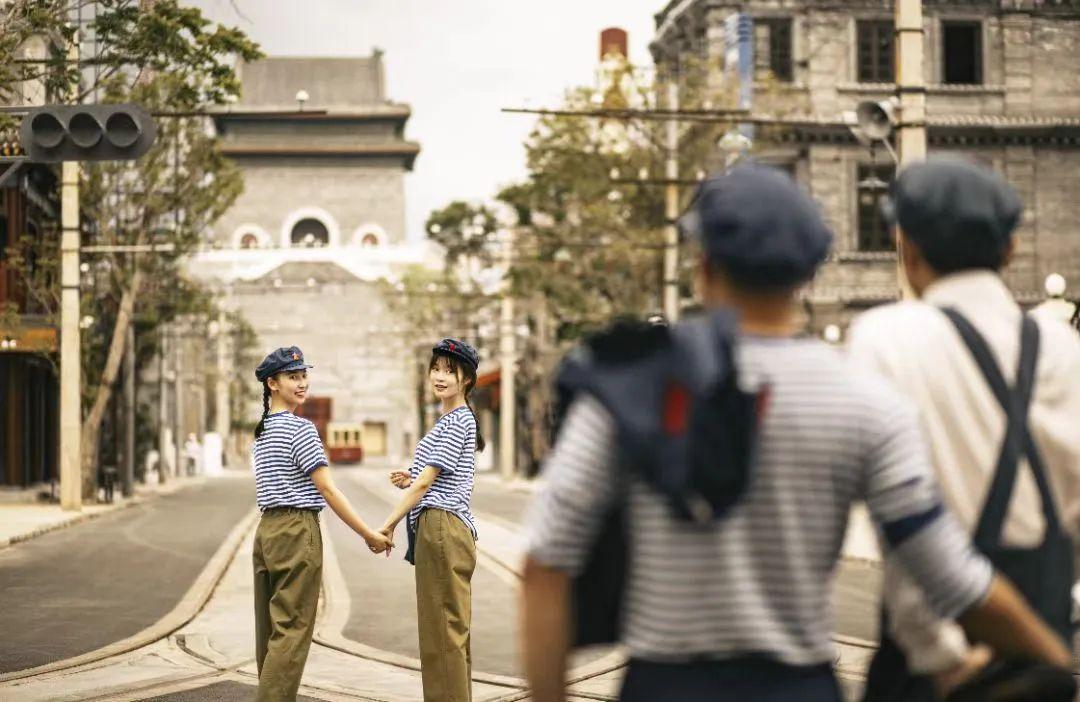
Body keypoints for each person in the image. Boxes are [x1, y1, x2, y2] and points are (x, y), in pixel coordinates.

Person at [519, 164, 1073, 702]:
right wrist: (1055, 663)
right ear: (808, 276)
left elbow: (547, 561)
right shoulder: (863, 401)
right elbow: (950, 576)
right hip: (799, 686)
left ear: (703, 266)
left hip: (665, 684)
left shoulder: (633, 385)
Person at [847, 158, 1080, 701]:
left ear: (906, 247)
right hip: (1041, 642)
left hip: (927, 661)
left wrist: (944, 658)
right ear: (1010, 250)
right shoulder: (1063, 350)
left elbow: (898, 521)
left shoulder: (884, 339)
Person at [251, 346, 393, 702]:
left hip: (267, 531)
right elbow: (329, 490)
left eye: (303, 376)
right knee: (292, 629)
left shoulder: (264, 430)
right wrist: (368, 534)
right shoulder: (302, 431)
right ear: (272, 383)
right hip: (297, 532)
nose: (302, 383)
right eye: (292, 377)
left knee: (269, 629)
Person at [380, 338, 485, 702]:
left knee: (441, 633)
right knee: (448, 630)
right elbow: (429, 477)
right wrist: (410, 477)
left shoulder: (457, 420)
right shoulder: (451, 421)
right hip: (443, 527)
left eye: (450, 371)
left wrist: (390, 522)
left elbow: (428, 482)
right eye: (436, 369)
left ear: (467, 380)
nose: (440, 377)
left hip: (442, 527)